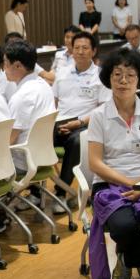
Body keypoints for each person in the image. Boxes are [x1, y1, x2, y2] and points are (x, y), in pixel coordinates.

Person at [86, 47, 140, 279]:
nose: (123, 81)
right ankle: (139, 257)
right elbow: (95, 163)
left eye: (130, 75)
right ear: (108, 79)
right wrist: (128, 183)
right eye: (117, 75)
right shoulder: (99, 116)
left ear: (139, 79)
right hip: (110, 185)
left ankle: (130, 258)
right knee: (125, 226)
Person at [51, 31, 110, 189]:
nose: (80, 52)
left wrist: (78, 122)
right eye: (76, 48)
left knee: (76, 142)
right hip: (60, 123)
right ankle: (36, 191)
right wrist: (54, 122)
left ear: (94, 51)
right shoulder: (62, 73)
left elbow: (103, 109)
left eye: (85, 48)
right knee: (34, 138)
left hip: (86, 125)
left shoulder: (101, 75)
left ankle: (62, 191)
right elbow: (53, 102)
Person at [4, 40, 56, 172]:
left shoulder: (21, 96)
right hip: (43, 155)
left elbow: (9, 140)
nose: (3, 69)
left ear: (17, 66)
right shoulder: (44, 85)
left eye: (5, 63)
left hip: (21, 162)